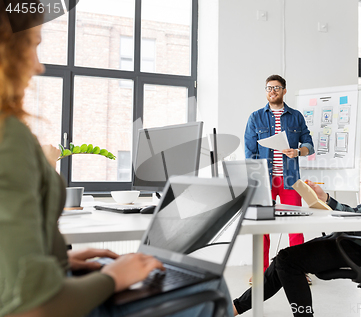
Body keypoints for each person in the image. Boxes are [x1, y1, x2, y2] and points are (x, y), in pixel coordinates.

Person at [0, 2, 232, 316]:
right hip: (55, 304)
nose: (39, 66)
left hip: (48, 280)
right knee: (209, 286)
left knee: (189, 275)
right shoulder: (9, 136)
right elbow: (33, 306)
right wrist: (112, 277)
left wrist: (59, 262)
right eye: (33, 45)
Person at [233, 120, 361, 316]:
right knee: (282, 259)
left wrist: (357, 224)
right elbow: (360, 212)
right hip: (350, 238)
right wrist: (326, 199)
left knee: (287, 261)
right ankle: (234, 308)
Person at [244, 74, 314, 278]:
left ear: (284, 90)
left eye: (276, 87)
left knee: (295, 225)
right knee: (263, 227)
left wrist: (298, 152)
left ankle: (299, 272)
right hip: (265, 181)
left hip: (290, 180)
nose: (272, 91)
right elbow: (250, 152)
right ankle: (261, 271)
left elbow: (309, 143)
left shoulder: (296, 116)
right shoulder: (255, 117)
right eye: (268, 88)